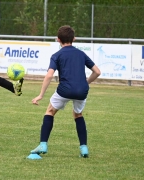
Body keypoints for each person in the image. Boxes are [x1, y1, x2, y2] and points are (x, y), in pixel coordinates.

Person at [28, 25, 101, 159]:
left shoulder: (57, 55)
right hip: (82, 90)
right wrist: (86, 83)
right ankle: (84, 148)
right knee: (78, 114)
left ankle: (43, 144)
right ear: (74, 39)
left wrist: (40, 95)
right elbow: (97, 71)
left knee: (50, 111)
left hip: (65, 89)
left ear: (58, 40)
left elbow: (49, 75)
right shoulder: (81, 53)